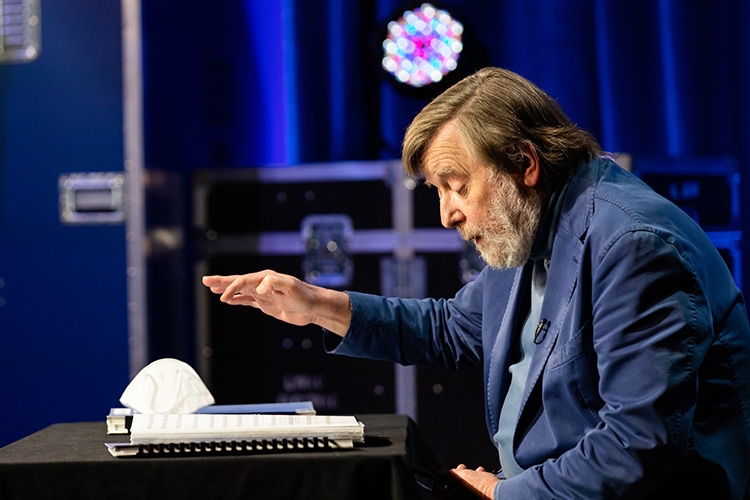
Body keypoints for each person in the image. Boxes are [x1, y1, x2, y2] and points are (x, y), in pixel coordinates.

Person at [203, 67, 750, 499]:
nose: (447, 215)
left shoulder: (632, 245)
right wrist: (317, 304)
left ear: (524, 163)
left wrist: (503, 494)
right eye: (438, 191)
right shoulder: (532, 223)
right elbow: (453, 329)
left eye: (457, 186)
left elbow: (637, 444)